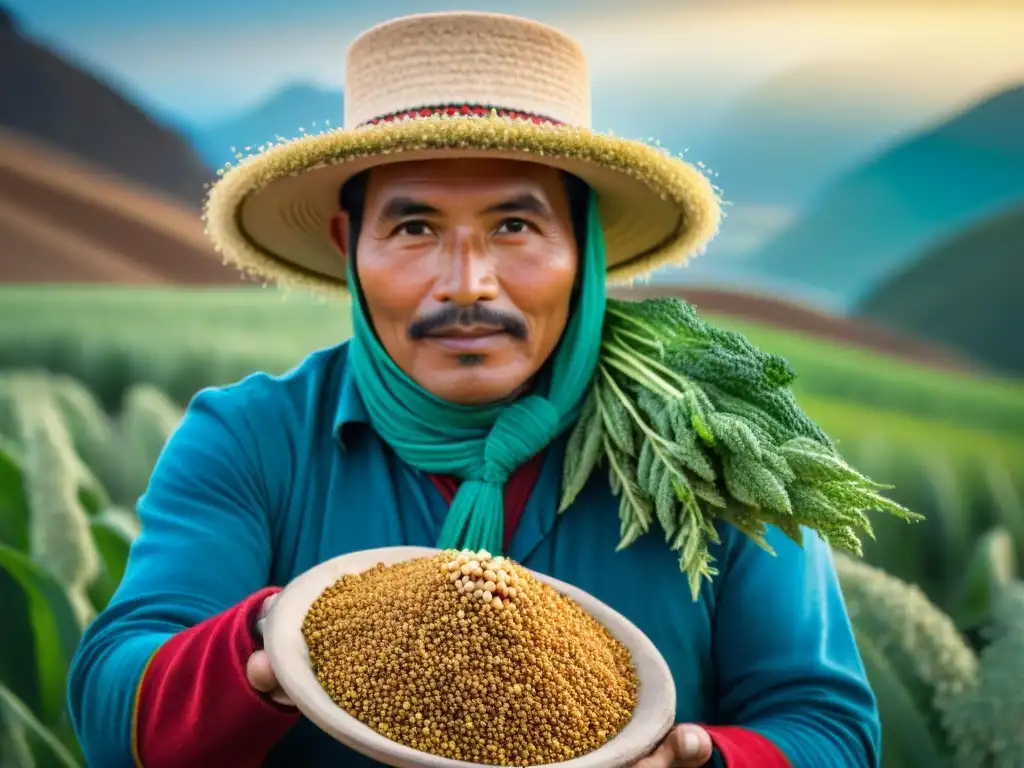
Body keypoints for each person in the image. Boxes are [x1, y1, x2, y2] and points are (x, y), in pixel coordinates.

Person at [67, 11, 884, 768]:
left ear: (584, 248)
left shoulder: (712, 448)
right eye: (414, 228)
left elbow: (827, 726)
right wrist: (271, 640)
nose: (468, 284)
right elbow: (114, 710)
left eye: (515, 226)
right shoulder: (250, 439)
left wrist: (700, 759)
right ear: (350, 245)